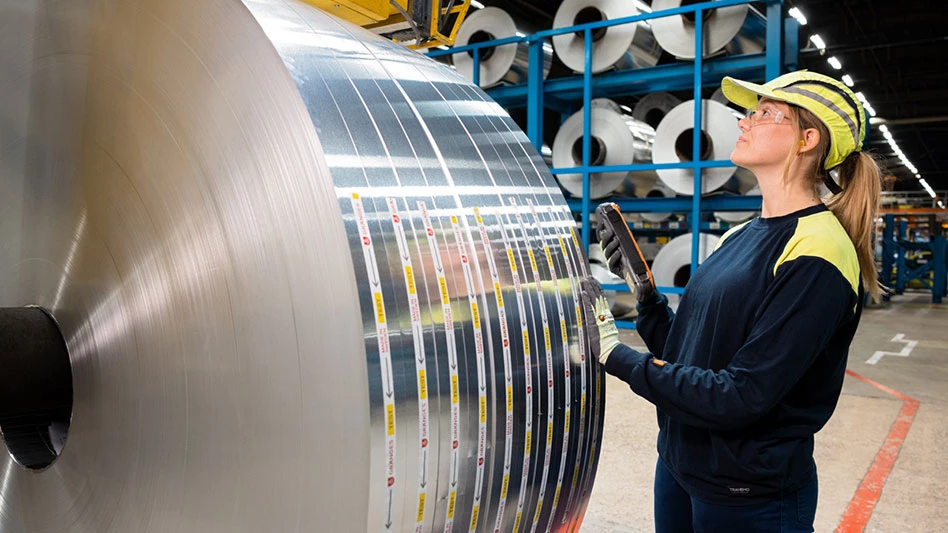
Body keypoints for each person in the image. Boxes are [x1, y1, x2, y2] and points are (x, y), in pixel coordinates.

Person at [580, 70, 883, 532]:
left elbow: (741, 395)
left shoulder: (819, 252)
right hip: (681, 468)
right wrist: (648, 299)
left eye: (764, 113)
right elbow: (692, 354)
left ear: (807, 140)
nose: (743, 122)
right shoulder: (738, 236)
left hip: (748, 494)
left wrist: (616, 356)